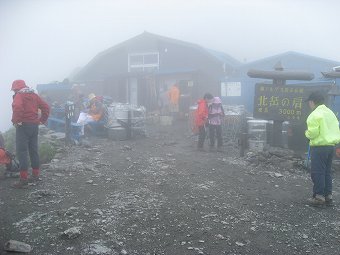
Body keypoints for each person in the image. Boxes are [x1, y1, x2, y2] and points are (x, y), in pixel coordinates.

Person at [11, 80, 50, 188]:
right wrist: (42, 120)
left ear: (17, 88)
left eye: (14, 89)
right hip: (34, 126)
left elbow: (17, 107)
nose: (14, 91)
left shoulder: (19, 95)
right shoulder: (34, 95)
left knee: (22, 151)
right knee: (33, 150)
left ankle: (23, 179)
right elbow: (46, 107)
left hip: (23, 126)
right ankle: (35, 175)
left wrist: (16, 120)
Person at [305, 91, 340, 206]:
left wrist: (307, 133)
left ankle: (318, 197)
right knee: (326, 172)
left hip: (319, 147)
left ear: (312, 102)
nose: (309, 105)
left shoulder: (314, 115)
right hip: (331, 146)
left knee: (318, 172)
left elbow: (313, 133)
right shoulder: (330, 113)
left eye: (309, 102)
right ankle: (327, 196)